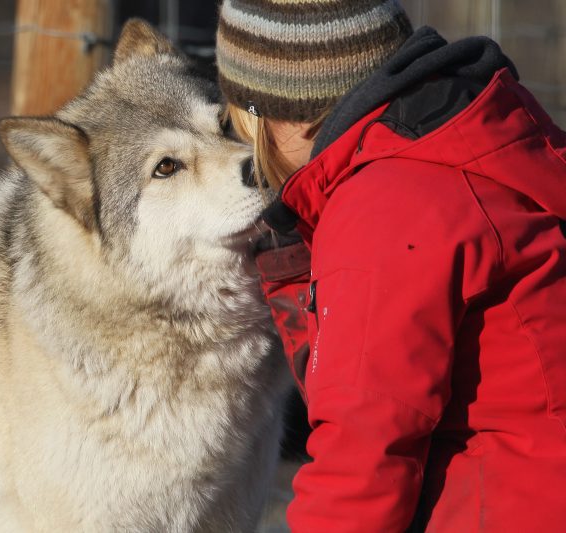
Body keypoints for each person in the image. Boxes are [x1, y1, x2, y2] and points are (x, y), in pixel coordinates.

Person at [215, 0, 566, 531]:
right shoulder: (479, 134)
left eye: (237, 118)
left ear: (275, 113)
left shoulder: (386, 207)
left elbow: (360, 473)